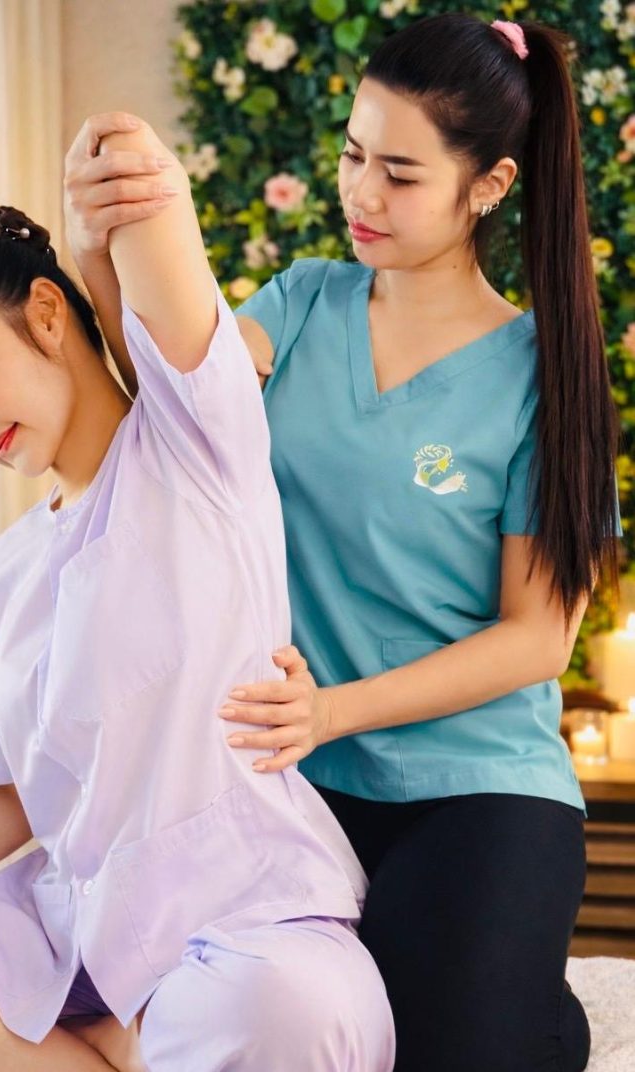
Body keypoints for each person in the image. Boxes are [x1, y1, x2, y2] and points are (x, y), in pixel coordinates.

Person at [0, 117, 396, 1071]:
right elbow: (1, 802)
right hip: (72, 930)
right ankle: (114, 1048)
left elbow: (151, 211)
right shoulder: (3, 576)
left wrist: (104, 202)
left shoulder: (194, 448)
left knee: (294, 1010)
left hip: (242, 914)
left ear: (48, 315)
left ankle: (106, 1044)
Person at [64, 14, 622, 1072]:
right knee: (313, 1026)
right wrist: (96, 256)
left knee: (449, 1047)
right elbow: (175, 412)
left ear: (488, 185)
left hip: (477, 782)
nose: (360, 193)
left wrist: (331, 710)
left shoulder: (541, 375)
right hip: (298, 782)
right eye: (353, 155)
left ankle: (543, 1016)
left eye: (399, 174)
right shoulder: (302, 302)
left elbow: (537, 638)